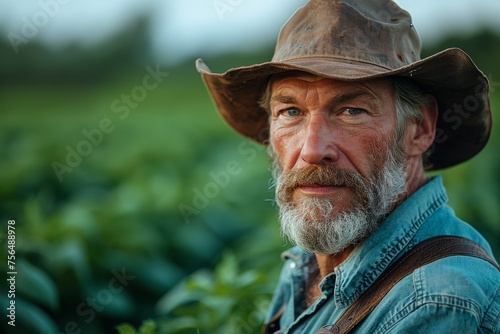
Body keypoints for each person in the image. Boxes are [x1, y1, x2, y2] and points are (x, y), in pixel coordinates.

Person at [196, 0, 500, 332]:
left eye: (352, 111)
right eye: (290, 112)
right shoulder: (307, 264)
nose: (312, 150)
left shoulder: (435, 301)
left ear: (419, 128)